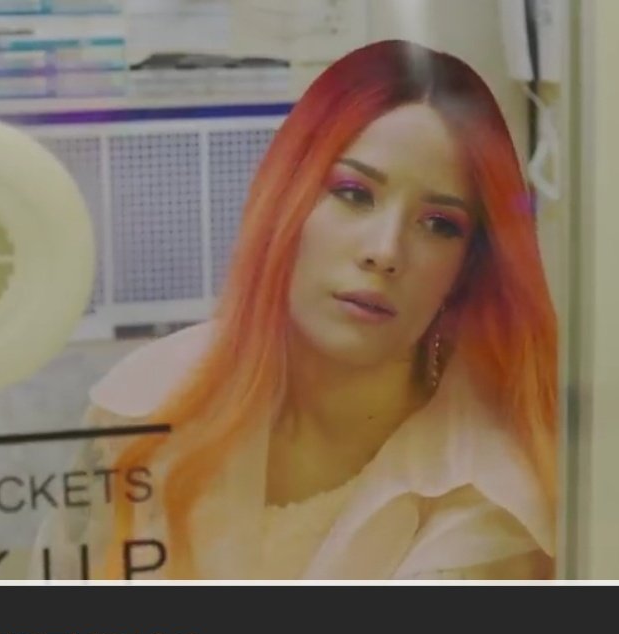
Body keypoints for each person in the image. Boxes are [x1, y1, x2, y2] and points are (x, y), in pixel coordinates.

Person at [33, 39, 557, 581]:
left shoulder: (490, 493)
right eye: (354, 193)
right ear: (287, 195)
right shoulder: (141, 403)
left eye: (439, 224)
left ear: (467, 269)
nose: (385, 251)